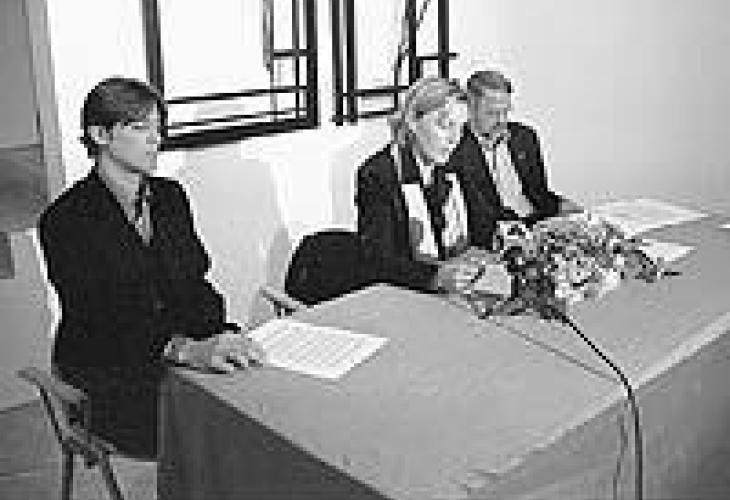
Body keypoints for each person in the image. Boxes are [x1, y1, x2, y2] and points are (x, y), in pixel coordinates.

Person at [39, 77, 265, 459]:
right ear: (100, 135)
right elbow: (98, 320)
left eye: (158, 128)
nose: (156, 140)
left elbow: (195, 283)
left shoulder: (170, 197)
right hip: (113, 374)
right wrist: (183, 349)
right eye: (140, 128)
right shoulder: (64, 221)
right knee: (217, 430)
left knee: (258, 400)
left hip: (177, 355)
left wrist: (220, 334)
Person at [355, 77, 494, 293]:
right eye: (445, 126)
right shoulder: (378, 174)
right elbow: (379, 262)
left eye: (460, 128)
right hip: (409, 294)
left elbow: (484, 221)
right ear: (412, 121)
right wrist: (436, 276)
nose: (454, 139)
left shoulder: (457, 160)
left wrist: (507, 233)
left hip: (462, 286)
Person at [450, 70, 581, 229]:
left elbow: (540, 193)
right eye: (492, 113)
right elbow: (478, 215)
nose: (502, 120)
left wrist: (569, 210)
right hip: (500, 232)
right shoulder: (456, 150)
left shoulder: (525, 137)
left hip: (539, 224)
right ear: (470, 107)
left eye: (506, 111)